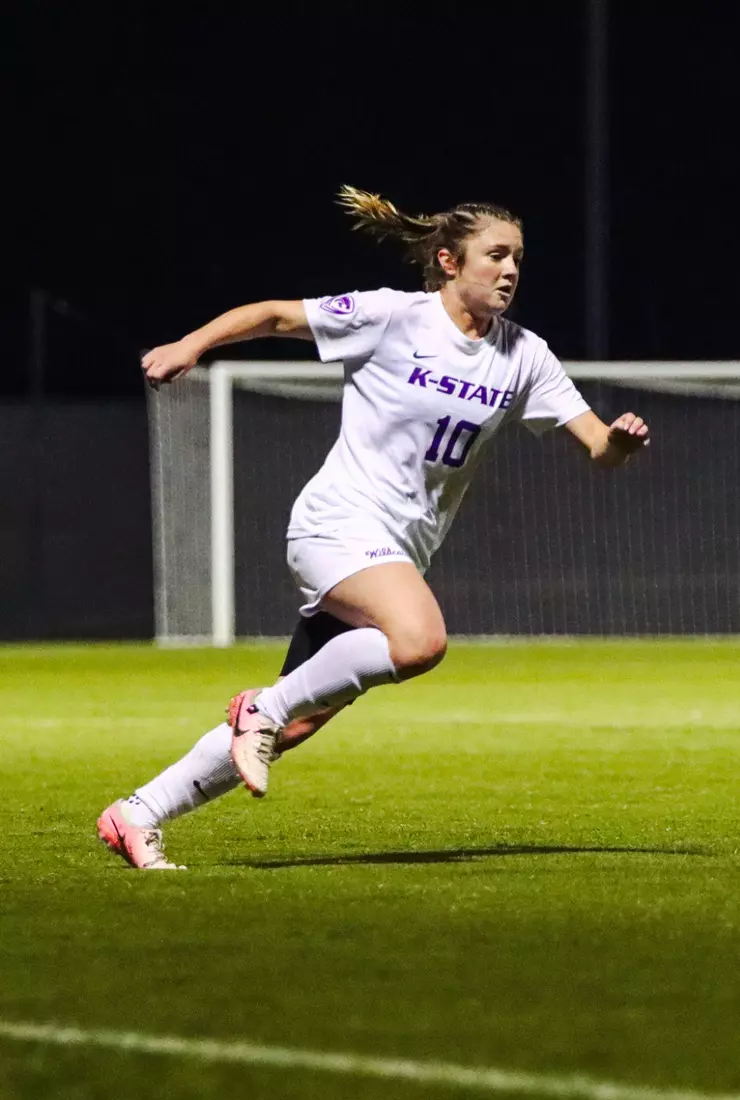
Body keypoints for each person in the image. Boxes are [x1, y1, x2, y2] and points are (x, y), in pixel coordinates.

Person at [98, 185, 650, 869]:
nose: (510, 270)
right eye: (496, 255)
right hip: (338, 524)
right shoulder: (394, 318)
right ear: (449, 261)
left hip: (397, 553)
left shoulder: (524, 355)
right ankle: (259, 710)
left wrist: (620, 442)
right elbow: (274, 315)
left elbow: (597, 446)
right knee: (419, 641)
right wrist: (193, 344)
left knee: (295, 725)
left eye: (518, 258)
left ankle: (138, 813)